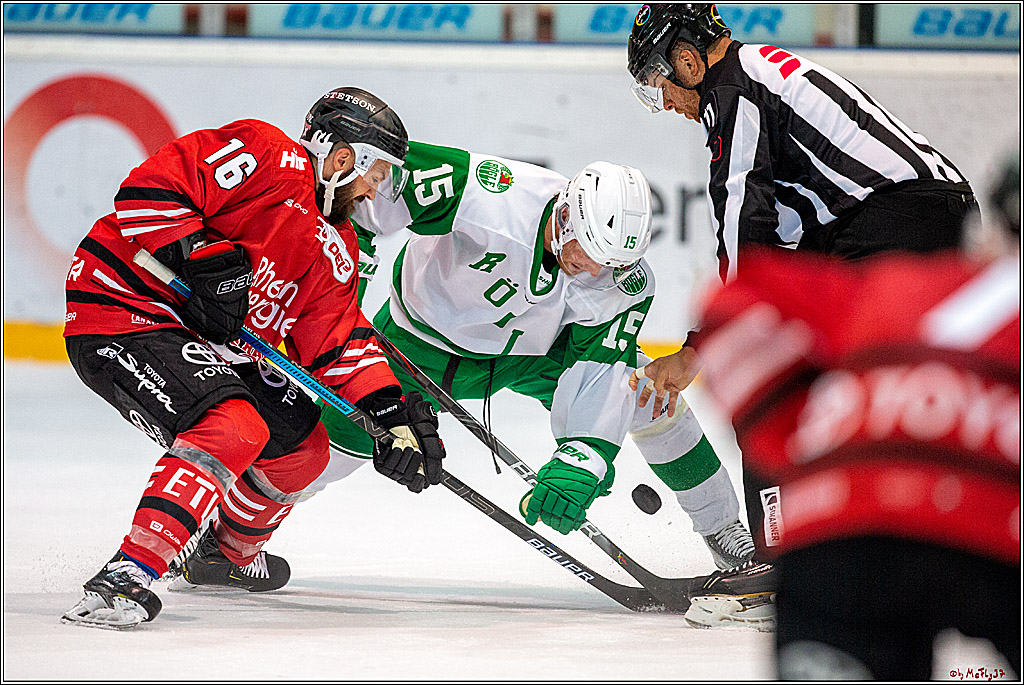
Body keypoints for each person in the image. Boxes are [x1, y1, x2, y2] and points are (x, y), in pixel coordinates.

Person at [302, 140, 773, 627]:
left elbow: (599, 369)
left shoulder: (618, 279)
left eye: (610, 264)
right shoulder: (486, 192)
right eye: (590, 254)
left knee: (646, 394)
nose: (596, 271)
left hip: (526, 354)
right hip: (414, 343)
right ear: (567, 216)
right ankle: (237, 529)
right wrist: (341, 296)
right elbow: (357, 198)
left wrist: (582, 459)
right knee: (327, 450)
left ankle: (728, 537)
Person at [61, 87, 447, 630]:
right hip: (124, 308)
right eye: (376, 173)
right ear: (344, 158)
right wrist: (201, 256)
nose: (373, 190)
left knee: (304, 447)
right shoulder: (266, 154)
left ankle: (223, 554)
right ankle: (128, 574)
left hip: (208, 339)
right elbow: (150, 188)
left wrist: (389, 411)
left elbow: (333, 338)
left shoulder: (337, 242)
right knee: (234, 426)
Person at [625, 3, 978, 555]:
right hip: (923, 214)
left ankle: (779, 558)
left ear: (689, 61)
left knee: (772, 377)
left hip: (895, 220)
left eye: (656, 84)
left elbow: (745, 219)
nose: (664, 104)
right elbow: (785, 248)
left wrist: (715, 340)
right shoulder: (758, 72)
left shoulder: (731, 91)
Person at [691, 156, 1020, 678]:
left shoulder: (892, 283)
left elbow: (733, 309)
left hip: (841, 530)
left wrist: (798, 451)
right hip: (994, 532)